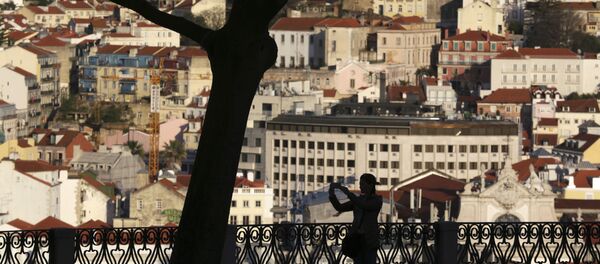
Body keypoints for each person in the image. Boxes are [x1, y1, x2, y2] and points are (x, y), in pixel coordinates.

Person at [329, 174, 382, 264]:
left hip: (370, 240)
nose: (360, 186)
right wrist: (331, 193)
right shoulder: (358, 200)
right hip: (357, 239)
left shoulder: (376, 200)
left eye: (362, 184)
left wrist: (348, 193)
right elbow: (340, 207)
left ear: (370, 185)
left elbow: (364, 205)